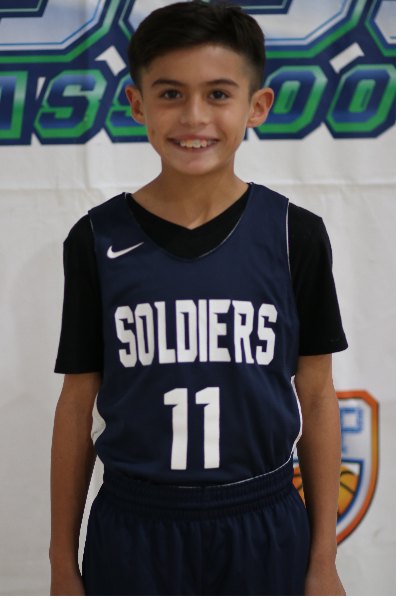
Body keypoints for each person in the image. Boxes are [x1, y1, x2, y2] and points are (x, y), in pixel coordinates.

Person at [50, 1, 348, 596]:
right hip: (135, 526)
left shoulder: (295, 235)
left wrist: (323, 559)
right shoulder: (96, 238)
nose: (194, 116)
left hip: (262, 518)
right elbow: (77, 404)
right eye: (170, 94)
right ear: (137, 104)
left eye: (217, 94)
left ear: (256, 106)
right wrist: (61, 562)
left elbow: (316, 396)